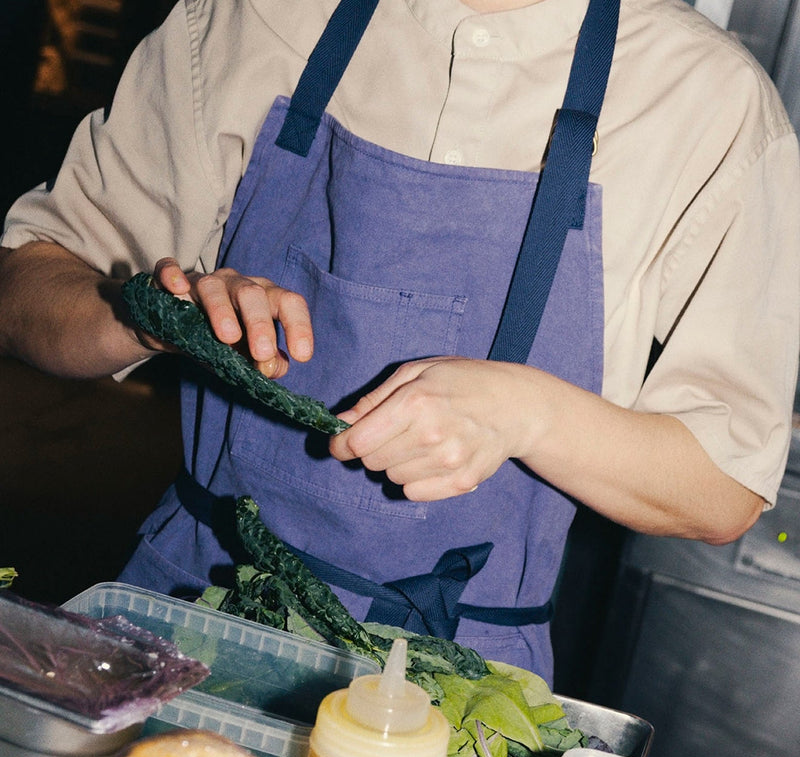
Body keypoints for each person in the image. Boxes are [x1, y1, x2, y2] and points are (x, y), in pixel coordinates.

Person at [0, 0, 798, 683]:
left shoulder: (708, 100)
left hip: (459, 686)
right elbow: (27, 285)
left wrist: (529, 413)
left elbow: (722, 486)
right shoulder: (256, 17)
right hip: (182, 613)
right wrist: (154, 313)